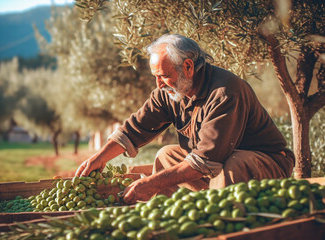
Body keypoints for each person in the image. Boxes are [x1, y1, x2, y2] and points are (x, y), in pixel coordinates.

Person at [75, 34, 295, 204]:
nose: (158, 84)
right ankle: (169, 215)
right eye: (155, 77)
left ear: (188, 67)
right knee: (166, 155)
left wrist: (151, 183)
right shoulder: (170, 92)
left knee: (233, 165)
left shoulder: (225, 92)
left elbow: (207, 159)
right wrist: (99, 158)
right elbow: (135, 128)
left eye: (164, 76)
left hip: (266, 163)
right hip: (217, 163)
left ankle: (217, 219)